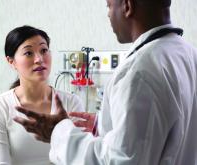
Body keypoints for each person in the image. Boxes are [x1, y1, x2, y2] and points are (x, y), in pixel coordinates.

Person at [14, 0, 197, 164]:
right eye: (28, 53)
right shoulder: (188, 54)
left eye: (108, 5)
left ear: (127, 6)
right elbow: (161, 131)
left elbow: (120, 161)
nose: (108, 14)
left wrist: (59, 132)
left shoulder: (139, 73)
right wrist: (109, 125)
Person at [0, 25, 84, 165]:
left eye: (44, 50)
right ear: (11, 61)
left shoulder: (71, 102)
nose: (39, 59)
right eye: (29, 53)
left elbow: (79, 158)